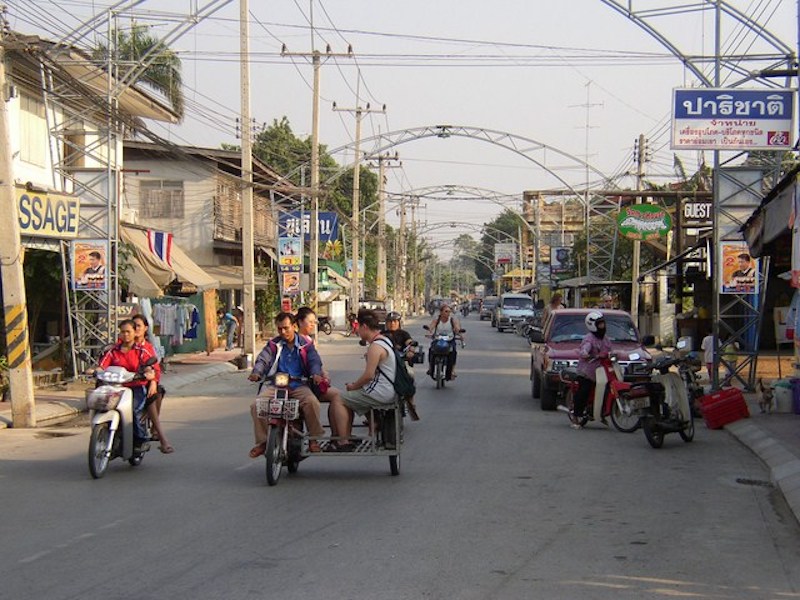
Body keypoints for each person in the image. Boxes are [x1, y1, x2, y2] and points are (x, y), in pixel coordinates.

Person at [247, 312, 326, 457]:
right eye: (279, 329)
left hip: (299, 384)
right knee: (256, 405)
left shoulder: (305, 345)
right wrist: (256, 372)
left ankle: (313, 439)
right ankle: (263, 442)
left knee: (311, 402)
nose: (283, 332)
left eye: (286, 328)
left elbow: (314, 361)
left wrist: (315, 373)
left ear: (294, 326)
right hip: (276, 385)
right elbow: (263, 360)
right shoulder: (273, 345)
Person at [327, 309, 398, 451]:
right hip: (388, 390)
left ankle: (343, 441)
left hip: (380, 393)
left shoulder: (375, 347)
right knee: (350, 397)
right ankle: (366, 425)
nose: (357, 331)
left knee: (339, 399)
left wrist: (353, 386)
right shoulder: (384, 341)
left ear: (364, 326)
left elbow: (368, 376)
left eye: (358, 327)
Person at [98, 319, 159, 450]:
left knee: (134, 410)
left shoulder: (141, 350)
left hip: (135, 387)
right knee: (101, 405)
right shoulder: (113, 350)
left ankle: (140, 440)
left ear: (134, 333)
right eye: (123, 332)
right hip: (115, 387)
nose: (125, 335)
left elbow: (150, 367)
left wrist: (148, 373)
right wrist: (94, 371)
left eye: (128, 332)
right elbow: (102, 366)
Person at [131, 314, 174, 453]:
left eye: (138, 326)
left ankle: (161, 438)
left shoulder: (147, 348)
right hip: (123, 384)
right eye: (133, 326)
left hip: (141, 384)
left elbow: (155, 369)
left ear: (145, 328)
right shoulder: (123, 345)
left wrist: (153, 382)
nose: (135, 329)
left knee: (153, 394)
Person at [568, 311, 613, 429]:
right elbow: (584, 350)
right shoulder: (589, 339)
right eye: (600, 324)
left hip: (602, 370)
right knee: (585, 390)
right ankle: (576, 416)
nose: (602, 327)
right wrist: (586, 354)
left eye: (603, 324)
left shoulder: (605, 339)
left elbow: (610, 350)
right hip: (587, 371)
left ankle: (600, 412)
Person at [382, 311, 420, 420]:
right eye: (390, 321)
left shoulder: (403, 334)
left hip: (401, 363)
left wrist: (411, 350)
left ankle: (411, 401)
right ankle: (373, 412)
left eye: (394, 321)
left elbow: (410, 343)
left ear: (399, 322)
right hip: (384, 364)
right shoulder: (382, 334)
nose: (392, 323)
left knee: (410, 375)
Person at [427, 303, 463, 380]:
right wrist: (429, 331)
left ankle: (452, 370)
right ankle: (430, 368)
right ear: (441, 312)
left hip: (449, 340)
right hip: (438, 340)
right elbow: (431, 326)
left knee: (453, 352)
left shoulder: (452, 320)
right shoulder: (437, 320)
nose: (448, 313)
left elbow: (457, 328)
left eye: (449, 312)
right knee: (431, 350)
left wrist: (459, 332)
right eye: (446, 311)